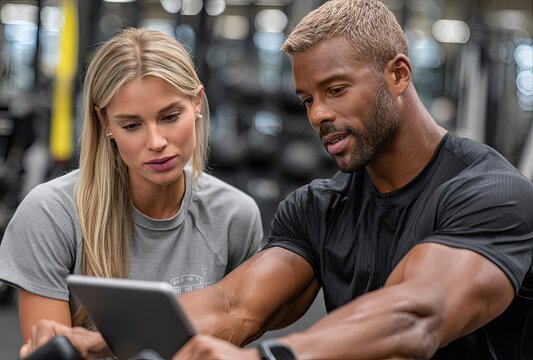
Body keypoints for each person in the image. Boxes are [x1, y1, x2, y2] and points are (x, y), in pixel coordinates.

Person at [19, 1, 533, 359]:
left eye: (336, 90)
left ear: (398, 75)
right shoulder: (317, 208)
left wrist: (272, 357)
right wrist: (99, 338)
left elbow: (414, 317)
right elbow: (233, 305)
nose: (319, 115)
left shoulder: (490, 193)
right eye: (307, 100)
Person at [0, 27, 263, 350]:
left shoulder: (235, 216)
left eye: (169, 116)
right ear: (105, 122)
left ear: (196, 102)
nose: (156, 143)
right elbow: (50, 353)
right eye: (132, 125)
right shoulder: (50, 214)